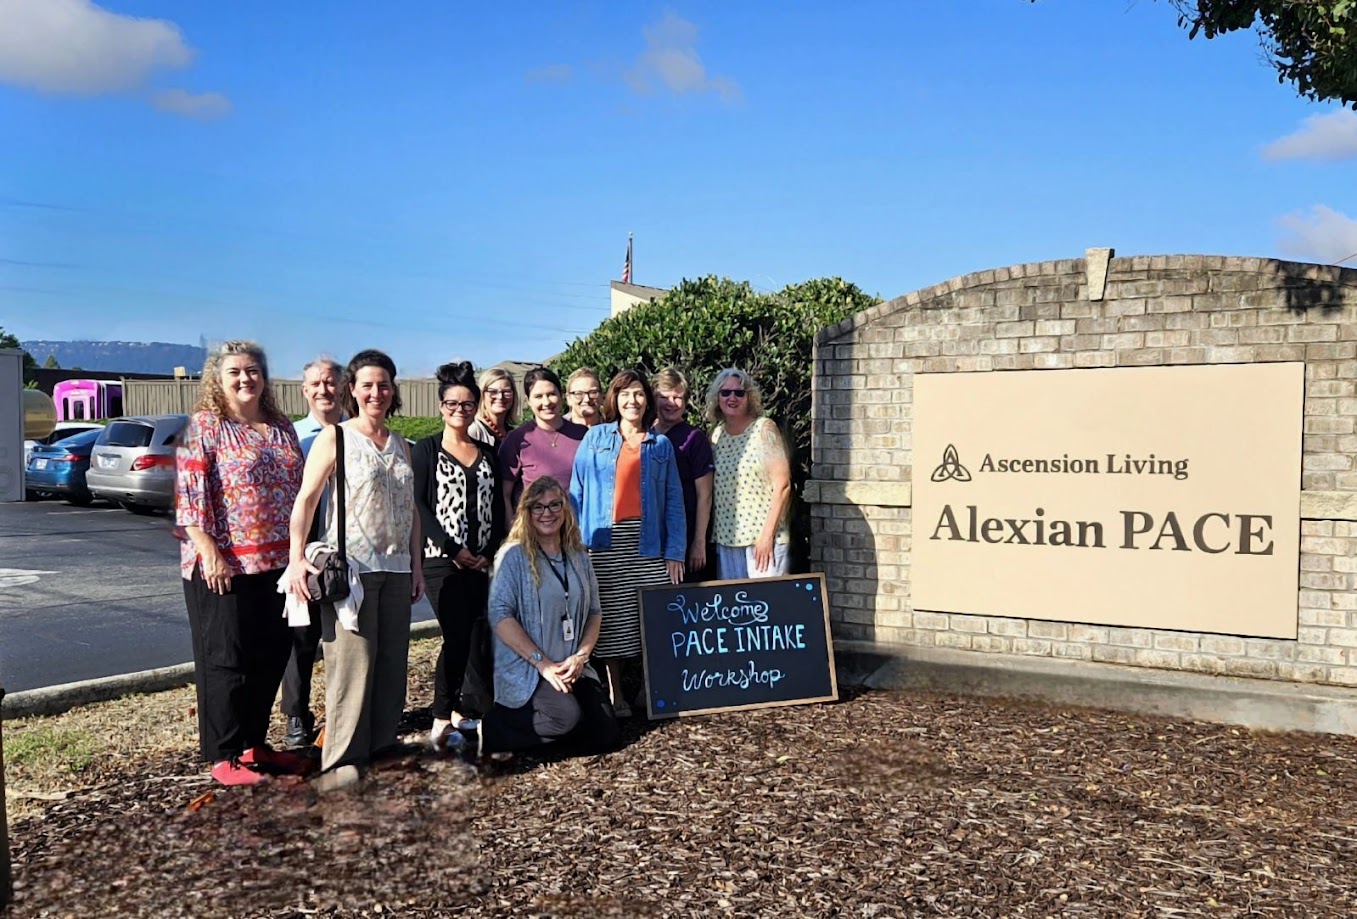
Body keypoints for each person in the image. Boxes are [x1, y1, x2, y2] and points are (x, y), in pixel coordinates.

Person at [176, 340, 310, 786]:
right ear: (218, 379)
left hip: (276, 564)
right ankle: (224, 754)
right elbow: (189, 498)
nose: (245, 379)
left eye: (252, 370)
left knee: (271, 654)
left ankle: (253, 743)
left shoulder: (280, 426)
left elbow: (299, 494)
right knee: (226, 660)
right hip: (223, 566)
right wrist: (209, 551)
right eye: (234, 372)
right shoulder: (206, 426)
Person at [284, 349, 425, 774]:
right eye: (367, 385)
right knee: (352, 669)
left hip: (397, 569)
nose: (376, 392)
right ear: (353, 390)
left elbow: (412, 510)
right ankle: (343, 762)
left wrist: (416, 565)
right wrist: (295, 561)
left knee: (390, 666)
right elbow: (306, 501)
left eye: (383, 384)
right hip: (353, 573)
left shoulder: (400, 443)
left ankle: (381, 748)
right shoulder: (336, 438)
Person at [570, 369, 685, 717]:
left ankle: (651, 689)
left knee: (651, 617)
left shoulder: (660, 445)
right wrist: (574, 546)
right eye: (624, 394)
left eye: (637, 394)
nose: (631, 401)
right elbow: (577, 492)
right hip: (604, 541)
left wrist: (675, 552)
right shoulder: (595, 439)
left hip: (648, 542)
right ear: (614, 400)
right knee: (611, 619)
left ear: (646, 400)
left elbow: (674, 501)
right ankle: (615, 693)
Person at [480, 476, 620, 757]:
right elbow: (499, 615)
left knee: (607, 734)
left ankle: (547, 744)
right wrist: (542, 664)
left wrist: (580, 657)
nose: (547, 513)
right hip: (531, 668)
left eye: (555, 505)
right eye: (538, 507)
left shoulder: (579, 555)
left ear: (565, 509)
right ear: (527, 513)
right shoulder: (513, 556)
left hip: (572, 664)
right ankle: (495, 727)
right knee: (564, 717)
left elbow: (595, 613)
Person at [413, 361, 505, 749]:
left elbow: (497, 507)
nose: (460, 411)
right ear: (441, 406)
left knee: (475, 635)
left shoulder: (488, 452)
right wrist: (453, 549)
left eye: (467, 404)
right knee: (455, 634)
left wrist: (486, 551)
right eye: (452, 404)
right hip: (440, 559)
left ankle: (465, 711)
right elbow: (419, 505)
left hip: (479, 561)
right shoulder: (427, 449)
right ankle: (440, 715)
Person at [280, 356, 345, 748]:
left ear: (343, 386)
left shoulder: (357, 432)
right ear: (305, 391)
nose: (324, 389)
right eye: (315, 384)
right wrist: (295, 555)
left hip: (347, 555)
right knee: (301, 640)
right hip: (303, 552)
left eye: (330, 382)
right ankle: (296, 717)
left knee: (344, 639)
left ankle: (341, 716)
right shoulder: (292, 439)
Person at [707, 368, 792, 579]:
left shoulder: (764, 429)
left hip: (763, 543)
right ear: (717, 398)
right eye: (725, 393)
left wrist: (766, 536)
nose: (732, 398)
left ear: (749, 397)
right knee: (734, 609)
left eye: (739, 393)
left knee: (768, 607)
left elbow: (783, 486)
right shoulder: (717, 435)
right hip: (727, 541)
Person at [651, 367, 715, 582]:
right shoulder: (643, 434)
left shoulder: (694, 438)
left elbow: (704, 496)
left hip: (684, 536)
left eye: (677, 397)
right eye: (664, 397)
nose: (671, 403)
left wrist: (698, 543)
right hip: (651, 536)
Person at [498, 366, 586, 519]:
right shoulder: (517, 439)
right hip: (534, 528)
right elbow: (505, 494)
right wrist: (512, 529)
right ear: (528, 401)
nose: (546, 402)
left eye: (551, 394)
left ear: (561, 396)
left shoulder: (582, 435)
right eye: (538, 396)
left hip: (576, 528)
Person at [468, 367, 517, 449]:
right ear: (482, 395)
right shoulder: (474, 431)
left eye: (506, 391)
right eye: (493, 392)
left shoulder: (512, 433)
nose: (500, 397)